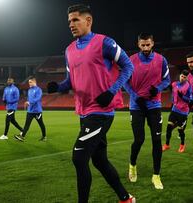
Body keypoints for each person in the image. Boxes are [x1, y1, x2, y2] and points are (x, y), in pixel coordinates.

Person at [46, 4, 135, 203]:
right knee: (100, 161)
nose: (71, 24)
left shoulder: (105, 43)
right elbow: (70, 81)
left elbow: (128, 66)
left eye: (75, 20)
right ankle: (126, 198)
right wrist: (57, 87)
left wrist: (112, 91)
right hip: (84, 112)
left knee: (79, 158)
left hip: (101, 112)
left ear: (88, 21)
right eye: (69, 21)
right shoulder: (68, 50)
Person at [123, 32, 170, 189]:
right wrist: (135, 96)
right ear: (138, 44)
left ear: (153, 43)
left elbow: (167, 80)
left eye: (148, 44)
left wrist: (156, 89)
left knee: (156, 141)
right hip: (137, 106)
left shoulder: (161, 60)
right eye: (142, 45)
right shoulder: (131, 61)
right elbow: (125, 82)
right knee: (139, 140)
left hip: (154, 105)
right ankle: (132, 165)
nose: (145, 48)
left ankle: (156, 175)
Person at [162, 70, 193, 153]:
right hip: (174, 110)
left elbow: (190, 100)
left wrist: (182, 96)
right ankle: (167, 145)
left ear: (187, 78)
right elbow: (173, 94)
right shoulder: (174, 84)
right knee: (169, 128)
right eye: (182, 76)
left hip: (183, 112)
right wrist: (173, 100)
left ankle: (182, 145)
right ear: (180, 75)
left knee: (180, 130)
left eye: (184, 77)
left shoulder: (189, 87)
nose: (182, 78)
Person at [14, 77, 46, 142]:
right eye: (29, 82)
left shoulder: (38, 90)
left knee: (41, 124)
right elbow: (29, 99)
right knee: (27, 124)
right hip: (30, 111)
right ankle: (22, 136)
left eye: (30, 82)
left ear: (34, 82)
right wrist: (27, 102)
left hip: (37, 111)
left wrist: (29, 102)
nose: (29, 83)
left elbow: (38, 99)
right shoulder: (29, 90)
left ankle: (44, 136)